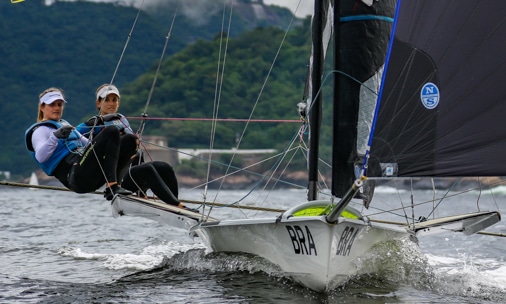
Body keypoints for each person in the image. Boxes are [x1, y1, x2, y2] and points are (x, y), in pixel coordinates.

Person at [76, 84, 195, 211]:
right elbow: (74, 134)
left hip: (132, 171)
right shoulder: (92, 123)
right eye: (106, 100)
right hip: (117, 179)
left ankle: (174, 205)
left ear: (119, 103)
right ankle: (175, 205)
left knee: (165, 168)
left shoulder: (122, 119)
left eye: (114, 100)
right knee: (147, 169)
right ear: (98, 103)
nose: (111, 104)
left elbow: (135, 150)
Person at [25, 87, 138, 200]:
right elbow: (40, 157)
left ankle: (117, 186)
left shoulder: (64, 124)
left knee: (130, 140)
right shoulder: (40, 130)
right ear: (42, 107)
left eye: (59, 105)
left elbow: (90, 145)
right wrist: (55, 137)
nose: (56, 108)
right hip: (75, 177)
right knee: (111, 131)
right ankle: (111, 187)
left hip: (88, 170)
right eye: (52, 105)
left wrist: (102, 121)